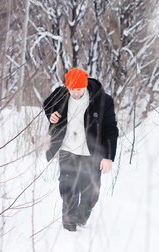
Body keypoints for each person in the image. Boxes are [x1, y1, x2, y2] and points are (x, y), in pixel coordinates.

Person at [43, 68, 119, 231]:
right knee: (68, 191)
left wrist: (108, 157)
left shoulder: (103, 100)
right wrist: (51, 115)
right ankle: (68, 229)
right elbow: (47, 104)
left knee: (90, 194)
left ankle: (81, 217)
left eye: (79, 89)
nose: (75, 93)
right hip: (67, 151)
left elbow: (111, 129)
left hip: (91, 154)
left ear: (85, 85)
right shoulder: (61, 94)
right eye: (72, 89)